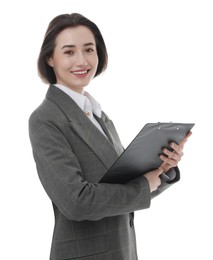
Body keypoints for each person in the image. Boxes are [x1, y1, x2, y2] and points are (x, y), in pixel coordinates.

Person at [29, 13, 191, 260]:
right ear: (50, 58)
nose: (81, 61)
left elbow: (126, 188)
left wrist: (163, 170)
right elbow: (76, 201)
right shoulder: (46, 118)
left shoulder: (97, 116)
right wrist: (145, 185)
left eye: (89, 49)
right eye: (69, 52)